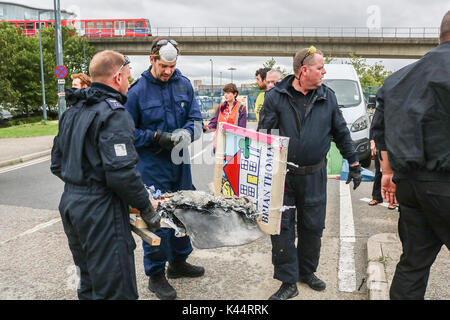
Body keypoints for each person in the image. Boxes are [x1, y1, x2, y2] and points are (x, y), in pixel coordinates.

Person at [50, 50, 161, 300]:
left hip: (71, 206)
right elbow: (122, 174)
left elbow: (56, 164)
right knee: (115, 290)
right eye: (128, 77)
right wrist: (147, 208)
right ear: (117, 76)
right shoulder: (114, 114)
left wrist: (82, 181)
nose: (129, 83)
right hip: (100, 211)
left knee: (88, 283)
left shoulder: (71, 112)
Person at [260, 46, 362, 300]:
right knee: (282, 228)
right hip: (283, 177)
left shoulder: (328, 97)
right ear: (304, 71)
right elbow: (262, 136)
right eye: (320, 67)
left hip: (315, 176)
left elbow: (341, 133)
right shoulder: (276, 96)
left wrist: (355, 163)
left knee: (313, 227)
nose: (324, 71)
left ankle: (307, 272)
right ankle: (287, 281)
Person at [371, 10, 450, 300]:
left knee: (413, 264)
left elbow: (380, 130)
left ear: (440, 35)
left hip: (411, 187)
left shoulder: (399, 79)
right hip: (445, 183)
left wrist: (388, 174)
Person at [124, 37, 204, 300]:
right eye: (163, 66)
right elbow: (128, 133)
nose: (168, 71)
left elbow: (196, 119)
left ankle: (179, 263)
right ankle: (156, 274)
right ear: (152, 60)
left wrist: (188, 132)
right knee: (155, 217)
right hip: (152, 165)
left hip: (180, 163)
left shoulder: (184, 85)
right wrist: (157, 137)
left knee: (182, 211)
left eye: (172, 66)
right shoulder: (136, 92)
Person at [368, 136, 395, 210]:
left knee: (395, 172)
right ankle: (376, 197)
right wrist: (372, 141)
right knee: (379, 171)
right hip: (380, 144)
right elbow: (374, 127)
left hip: (395, 144)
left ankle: (392, 201)